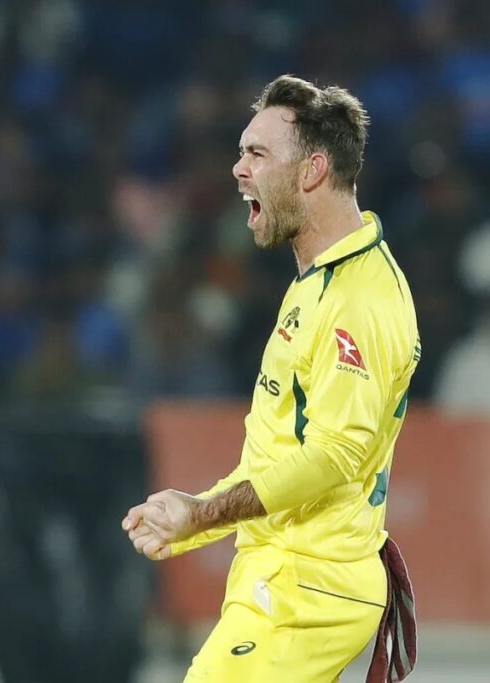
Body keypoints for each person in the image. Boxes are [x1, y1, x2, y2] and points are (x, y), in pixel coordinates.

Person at [122, 75, 420, 682]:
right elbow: (284, 456)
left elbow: (334, 457)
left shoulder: (358, 300)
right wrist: (194, 516)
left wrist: (204, 515)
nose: (238, 169)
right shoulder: (319, 279)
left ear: (312, 171)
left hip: (307, 590)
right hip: (286, 578)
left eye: (257, 154)